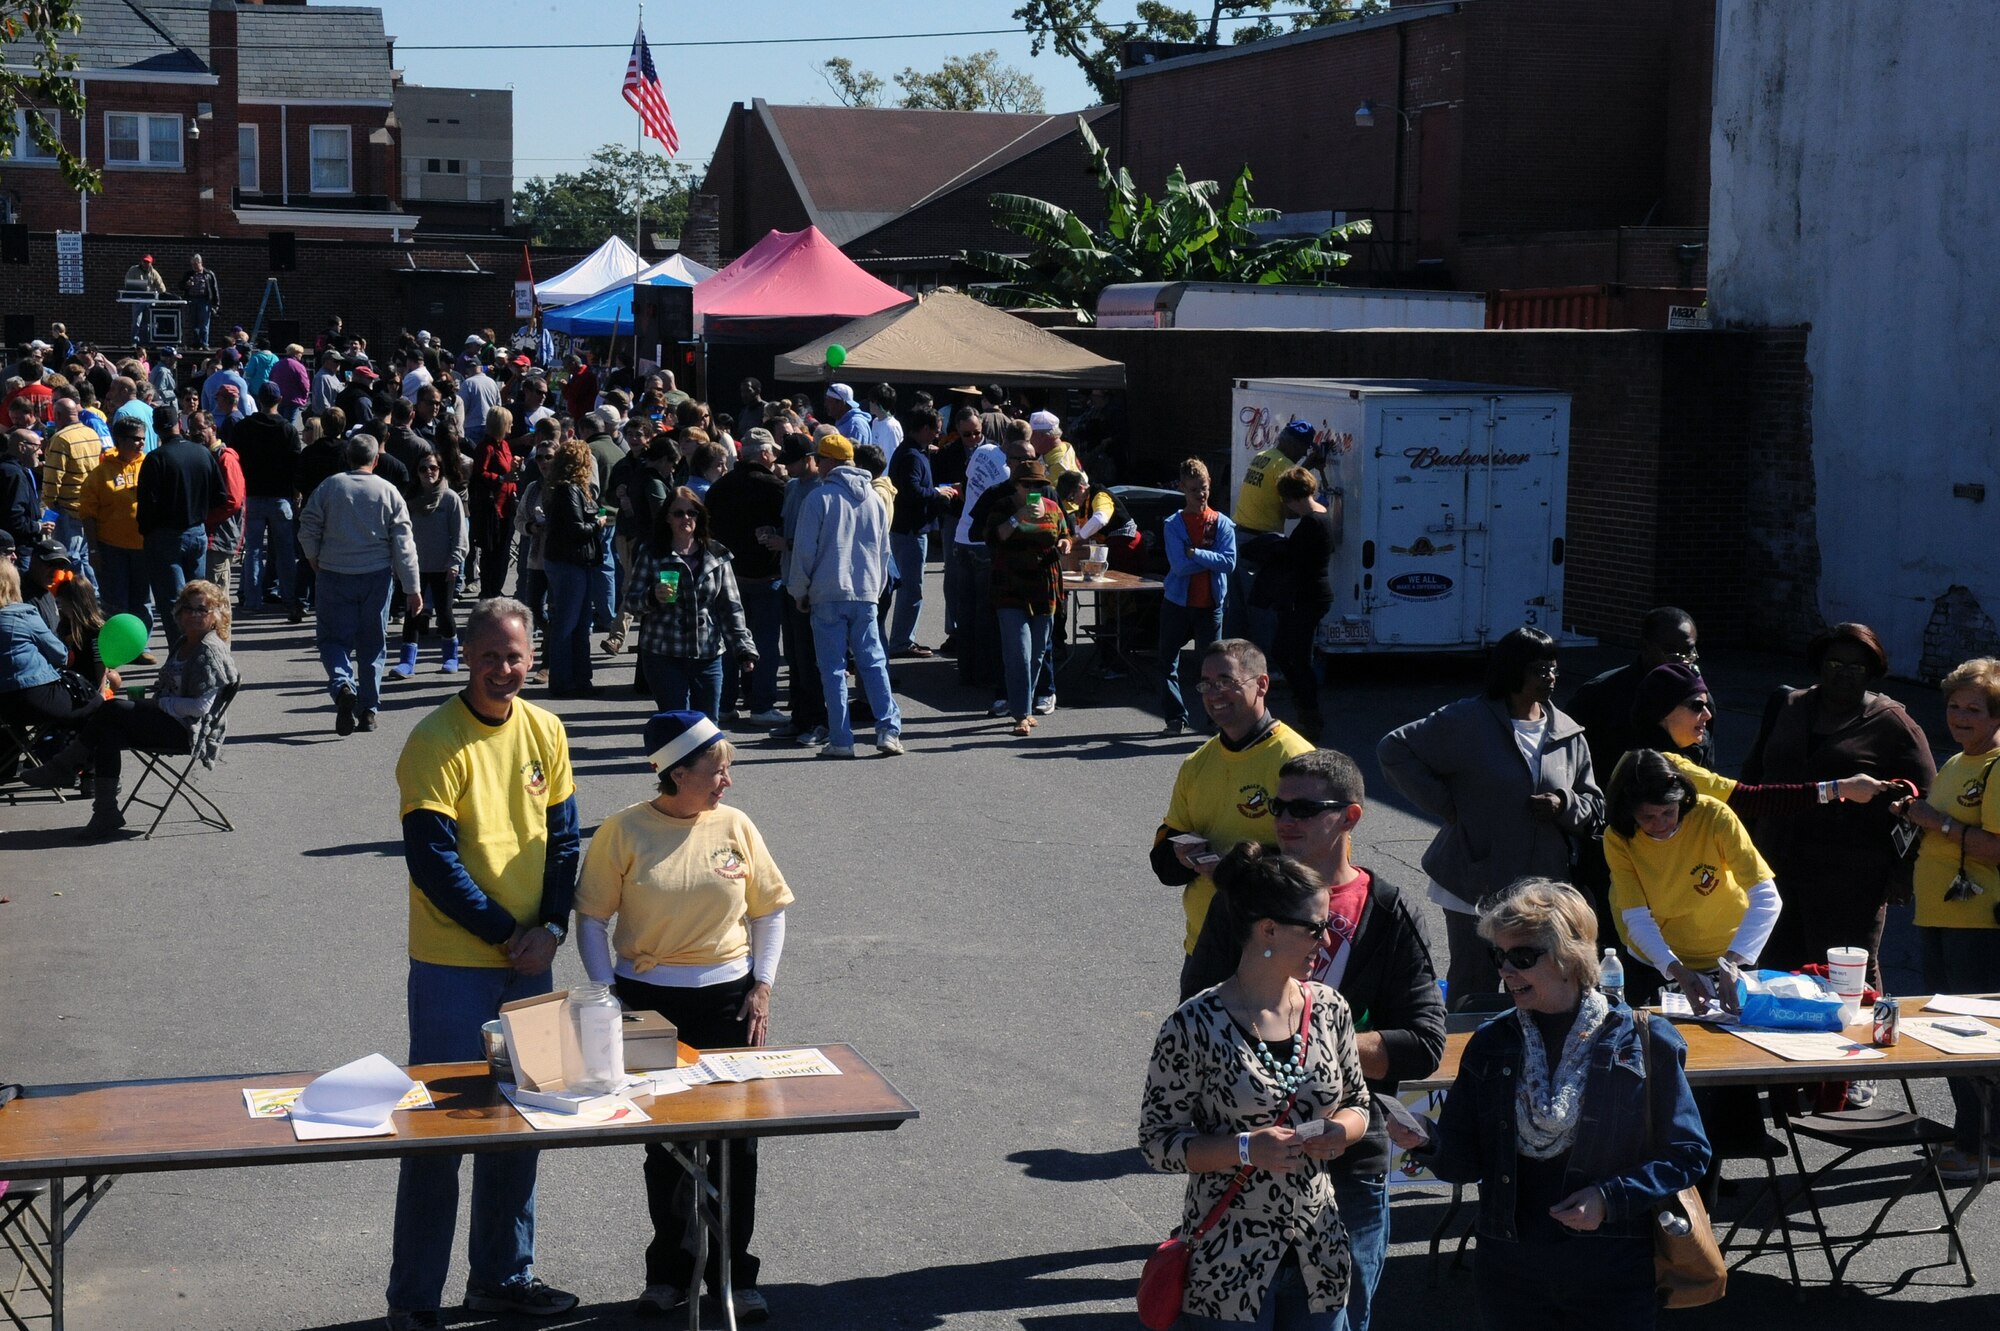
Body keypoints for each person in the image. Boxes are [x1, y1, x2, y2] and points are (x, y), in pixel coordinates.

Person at [1179, 749, 1446, 1331]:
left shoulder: (1390, 912)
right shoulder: (1249, 898)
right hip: (1244, 1166)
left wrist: (1326, 1045)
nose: (1284, 819)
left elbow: (1425, 1041)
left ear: (1350, 817)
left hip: (1348, 1165)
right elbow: (1197, 1010)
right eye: (1279, 806)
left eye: (1304, 808)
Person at [1384, 879, 1710, 1331]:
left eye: (1521, 958)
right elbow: (1463, 1161)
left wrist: (1608, 1198)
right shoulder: (1492, 1042)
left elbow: (1688, 1153)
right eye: (1499, 957)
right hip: (1511, 1270)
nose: (1506, 972)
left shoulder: (1643, 1041)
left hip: (1611, 1270)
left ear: (1568, 957)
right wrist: (1423, 1140)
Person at [387, 597, 580, 1330]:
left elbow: (564, 842)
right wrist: (509, 933)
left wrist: (552, 928)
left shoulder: (547, 728)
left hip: (532, 959)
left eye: (517, 655)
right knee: (439, 1133)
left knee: (522, 1121)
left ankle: (502, 1275)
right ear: (467, 655)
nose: (506, 669)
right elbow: (434, 861)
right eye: (493, 655)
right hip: (453, 966)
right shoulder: (433, 740)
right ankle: (414, 1299)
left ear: (532, 656)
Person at [575, 710, 791, 1321]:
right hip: (648, 1001)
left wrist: (763, 987)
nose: (728, 780)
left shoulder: (737, 826)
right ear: (676, 772)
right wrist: (604, 997)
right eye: (718, 769)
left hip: (729, 1000)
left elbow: (769, 910)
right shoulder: (622, 832)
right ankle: (668, 1272)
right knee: (663, 1143)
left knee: (735, 1145)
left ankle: (734, 1274)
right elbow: (592, 920)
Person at [1139, 842, 1374, 1331]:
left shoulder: (1331, 1008)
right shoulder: (1193, 1025)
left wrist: (1342, 1131)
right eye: (1316, 929)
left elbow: (1358, 1101)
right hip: (1229, 1266)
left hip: (1319, 1257)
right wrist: (1246, 1148)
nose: (1327, 942)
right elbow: (1158, 1144)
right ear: (1267, 929)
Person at [1377, 627, 1603, 1007]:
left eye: (1553, 668)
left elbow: (1594, 806)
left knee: (1544, 983)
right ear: (1513, 672)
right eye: (1538, 669)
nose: (1549, 677)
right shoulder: (1466, 720)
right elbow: (1394, 750)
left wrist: (1564, 805)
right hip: (1474, 884)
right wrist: (1449, 807)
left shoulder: (1568, 732)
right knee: (1474, 988)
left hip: (1542, 894)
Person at [1742, 622, 1935, 987]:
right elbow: (1753, 779)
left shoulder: (1893, 723)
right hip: (1775, 867)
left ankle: (1865, 1041)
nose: (1843, 674)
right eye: (1834, 663)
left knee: (1847, 982)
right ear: (1819, 664)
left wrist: (1901, 874)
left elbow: (1925, 801)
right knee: (1776, 977)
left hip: (1850, 880)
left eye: (1856, 667)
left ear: (1872, 671)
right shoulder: (1790, 705)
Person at [1152, 640, 1316, 995]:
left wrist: (1236, 870)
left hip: (1273, 956)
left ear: (1262, 685)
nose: (1214, 694)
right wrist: (1180, 856)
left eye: (1226, 681)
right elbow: (1164, 858)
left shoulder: (1298, 762)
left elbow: (1321, 865)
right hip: (1203, 949)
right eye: (1206, 684)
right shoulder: (1197, 764)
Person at [1891, 657, 2000, 1180]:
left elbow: (1996, 849)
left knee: (1973, 1037)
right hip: (1939, 916)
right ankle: (1969, 1137)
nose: (1960, 717)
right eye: (1954, 707)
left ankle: (1987, 1147)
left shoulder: (1997, 766)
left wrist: (1937, 821)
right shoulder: (1959, 761)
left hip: (1978, 922)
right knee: (1947, 1033)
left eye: (1974, 710)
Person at [29, 580, 239, 840]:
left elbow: (199, 708)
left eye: (202, 610)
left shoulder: (209, 651)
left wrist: (157, 704)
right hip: (167, 721)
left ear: (217, 615)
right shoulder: (184, 642)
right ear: (179, 612)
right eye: (188, 608)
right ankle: (105, 811)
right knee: (109, 730)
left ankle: (64, 768)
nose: (194, 615)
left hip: (187, 731)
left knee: (111, 709)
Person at [1602, 749, 1782, 1010]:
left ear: (1681, 800)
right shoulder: (1617, 838)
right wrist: (1676, 970)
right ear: (1629, 813)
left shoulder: (1715, 816)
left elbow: (1767, 898)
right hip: (1655, 959)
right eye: (1648, 818)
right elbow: (1637, 918)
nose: (1661, 824)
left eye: (1668, 812)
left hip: (1729, 953)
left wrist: (1731, 961)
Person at [787, 432, 903, 757]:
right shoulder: (874, 499)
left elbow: (805, 553)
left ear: (829, 461)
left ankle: (841, 739)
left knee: (833, 669)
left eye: (820, 458)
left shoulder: (819, 499)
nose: (818, 464)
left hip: (827, 592)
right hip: (866, 592)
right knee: (873, 662)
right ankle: (888, 731)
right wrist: (876, 589)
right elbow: (883, 550)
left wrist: (800, 590)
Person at [298, 434, 422, 735]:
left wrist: (314, 558)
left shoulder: (330, 487)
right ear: (375, 460)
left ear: (347, 458)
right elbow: (404, 544)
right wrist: (412, 587)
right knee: (372, 643)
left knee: (332, 640)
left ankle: (342, 685)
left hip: (333, 572)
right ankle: (368, 708)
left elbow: (307, 526)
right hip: (375, 576)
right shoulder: (388, 491)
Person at [624, 489, 755, 721]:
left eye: (692, 513)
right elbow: (632, 602)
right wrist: (652, 596)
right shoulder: (652, 552)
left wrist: (743, 648)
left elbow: (731, 606)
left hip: (708, 651)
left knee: (708, 726)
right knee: (677, 722)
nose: (686, 519)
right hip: (663, 651)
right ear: (667, 518)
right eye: (678, 513)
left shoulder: (716, 554)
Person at [703, 428, 788, 726]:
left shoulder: (720, 487)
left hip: (729, 576)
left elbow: (707, 531)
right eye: (773, 452)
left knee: (729, 642)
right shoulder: (777, 487)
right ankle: (762, 705)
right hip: (766, 575)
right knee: (765, 643)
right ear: (764, 454)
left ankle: (724, 703)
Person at [975, 457, 1065, 736]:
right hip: (1010, 589)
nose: (1034, 490)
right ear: (1017, 485)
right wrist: (1019, 516)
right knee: (1019, 653)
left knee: (1037, 653)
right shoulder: (1003, 506)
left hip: (1044, 588)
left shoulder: (1052, 508)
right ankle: (1021, 715)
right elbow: (992, 537)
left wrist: (1064, 542)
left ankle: (1024, 704)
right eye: (1028, 485)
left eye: (1039, 485)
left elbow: (1065, 534)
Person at [136, 403, 225, 652]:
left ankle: (182, 657)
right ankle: (203, 652)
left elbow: (146, 506)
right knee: (198, 601)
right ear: (180, 423)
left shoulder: (156, 459)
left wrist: (148, 532)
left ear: (155, 429)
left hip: (165, 536)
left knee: (175, 604)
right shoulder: (202, 453)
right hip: (196, 532)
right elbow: (221, 496)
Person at [1159, 458, 1237, 737]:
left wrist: (1196, 553)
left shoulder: (1223, 524)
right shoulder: (1173, 524)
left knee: (1214, 668)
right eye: (1193, 490)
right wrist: (1208, 558)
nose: (1200, 495)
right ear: (1182, 488)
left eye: (1203, 488)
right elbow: (1179, 567)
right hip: (1177, 604)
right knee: (1167, 661)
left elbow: (1229, 563)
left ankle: (1216, 720)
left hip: (1210, 606)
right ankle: (1175, 717)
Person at [1263, 466, 1341, 744]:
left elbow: (1295, 561)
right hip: (1315, 595)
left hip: (1307, 597)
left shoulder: (1310, 523)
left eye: (1286, 500)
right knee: (1295, 655)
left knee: (1290, 655)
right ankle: (1307, 713)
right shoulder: (1322, 515)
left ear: (1292, 498)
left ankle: (1309, 714)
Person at [886, 407, 956, 659]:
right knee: (911, 589)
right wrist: (938, 493)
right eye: (936, 431)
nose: (937, 436)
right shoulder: (912, 456)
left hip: (908, 528)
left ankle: (902, 639)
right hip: (910, 530)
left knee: (909, 587)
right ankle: (901, 641)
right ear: (924, 429)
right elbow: (912, 491)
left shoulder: (913, 452)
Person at [392, 452, 469, 678]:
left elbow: (460, 535)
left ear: (440, 470)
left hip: (443, 567)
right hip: (414, 567)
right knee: (412, 613)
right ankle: (407, 662)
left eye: (433, 468)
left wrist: (455, 562)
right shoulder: (409, 499)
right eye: (423, 468)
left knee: (444, 613)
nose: (429, 472)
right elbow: (400, 534)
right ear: (417, 472)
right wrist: (398, 562)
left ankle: (451, 657)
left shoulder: (450, 498)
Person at [0, 558, 97, 736]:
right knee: (95, 704)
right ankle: (77, 760)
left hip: (4, 708)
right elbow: (61, 655)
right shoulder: (22, 615)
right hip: (31, 698)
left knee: (11, 735)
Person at [79, 417, 152, 652]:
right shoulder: (100, 473)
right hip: (111, 548)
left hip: (143, 548)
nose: (141, 444)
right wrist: (93, 548)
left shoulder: (149, 466)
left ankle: (141, 646)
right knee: (115, 603)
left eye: (143, 438)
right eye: (135, 439)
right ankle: (120, 648)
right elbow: (87, 513)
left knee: (142, 602)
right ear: (120, 440)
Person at [539, 438, 605, 698]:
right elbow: (576, 529)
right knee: (568, 624)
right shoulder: (568, 490)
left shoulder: (571, 488)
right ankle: (563, 681)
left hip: (576, 562)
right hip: (568, 563)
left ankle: (580, 679)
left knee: (580, 623)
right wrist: (598, 524)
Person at [231, 383, 305, 614]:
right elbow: (296, 465)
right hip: (280, 497)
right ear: (280, 399)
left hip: (252, 495)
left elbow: (235, 459)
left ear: (258, 399)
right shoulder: (288, 429)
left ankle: (252, 600)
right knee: (285, 552)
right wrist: (296, 492)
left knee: (252, 550)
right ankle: (290, 598)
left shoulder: (244, 427)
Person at [39, 396, 104, 588]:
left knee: (71, 556)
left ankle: (82, 595)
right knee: (85, 554)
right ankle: (94, 592)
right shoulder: (91, 433)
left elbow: (53, 477)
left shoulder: (60, 439)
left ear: (58, 415)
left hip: (68, 506)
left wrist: (48, 504)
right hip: (90, 504)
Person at [468, 406, 518, 600]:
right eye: (509, 423)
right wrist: (500, 479)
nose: (512, 426)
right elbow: (479, 473)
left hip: (508, 505)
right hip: (493, 508)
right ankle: (489, 591)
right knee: (492, 553)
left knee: (503, 552)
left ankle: (495, 589)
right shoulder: (486, 447)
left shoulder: (504, 445)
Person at [122, 254, 167, 342]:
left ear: (151, 263)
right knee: (136, 322)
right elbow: (127, 283)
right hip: (137, 300)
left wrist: (163, 294)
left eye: (148, 262)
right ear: (141, 261)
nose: (146, 264)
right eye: (144, 261)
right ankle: (134, 343)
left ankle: (147, 342)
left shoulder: (154, 273)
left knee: (149, 323)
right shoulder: (133, 270)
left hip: (150, 301)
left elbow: (161, 286)